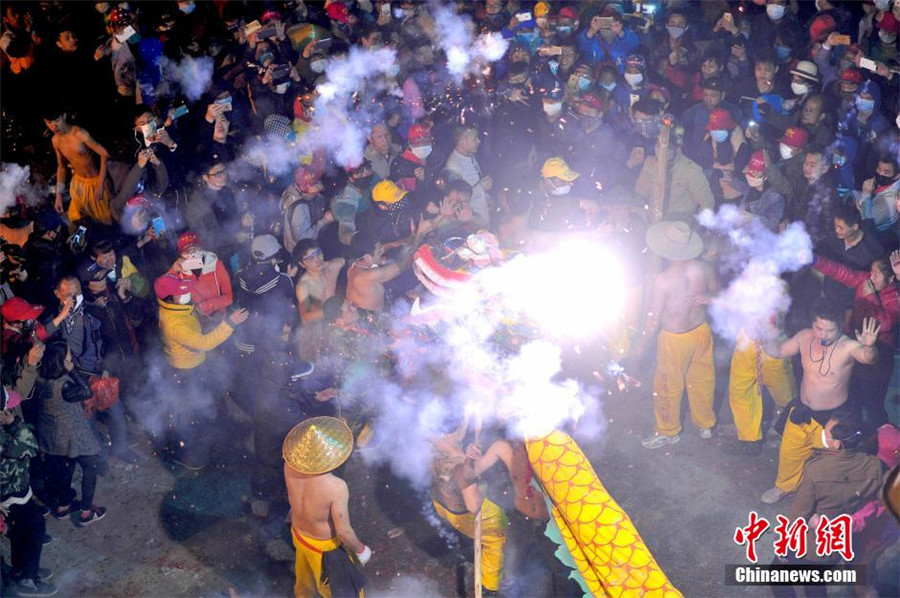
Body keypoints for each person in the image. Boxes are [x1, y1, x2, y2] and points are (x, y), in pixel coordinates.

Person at [760, 300, 881, 504]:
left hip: (831, 420)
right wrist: (768, 333)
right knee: (790, 452)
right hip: (802, 410)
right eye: (819, 328)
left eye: (830, 330)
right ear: (812, 324)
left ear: (840, 327)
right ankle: (785, 487)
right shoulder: (804, 337)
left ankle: (824, 499)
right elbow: (778, 351)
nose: (823, 335)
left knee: (830, 462)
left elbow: (868, 358)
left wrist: (869, 347)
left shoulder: (847, 346)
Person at [630, 221, 719, 449]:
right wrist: (708, 298)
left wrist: (639, 346)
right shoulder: (704, 269)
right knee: (702, 380)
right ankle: (705, 424)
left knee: (668, 386)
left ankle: (667, 431)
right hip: (701, 333)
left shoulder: (663, 281)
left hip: (675, 340)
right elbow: (718, 293)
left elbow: (652, 319)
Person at [283, 417, 370, 598]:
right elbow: (344, 532)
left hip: (299, 536)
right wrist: (361, 550)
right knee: (340, 591)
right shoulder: (335, 486)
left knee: (304, 584)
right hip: (325, 550)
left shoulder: (289, 466)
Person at [812, 255, 898, 426]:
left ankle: (883, 440)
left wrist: (871, 297)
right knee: (852, 396)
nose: (871, 277)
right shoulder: (865, 281)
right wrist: (815, 260)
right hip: (855, 347)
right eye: (871, 271)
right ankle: (852, 434)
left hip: (878, 357)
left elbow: (886, 323)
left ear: (890, 278)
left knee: (873, 403)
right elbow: (842, 272)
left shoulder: (893, 296)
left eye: (877, 274)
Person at [429, 422, 507, 594]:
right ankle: (489, 587)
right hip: (467, 516)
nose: (460, 434)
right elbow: (473, 506)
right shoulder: (458, 466)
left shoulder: (431, 450)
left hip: (442, 507)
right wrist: (470, 463)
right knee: (496, 541)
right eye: (456, 431)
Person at [36, 340, 106, 527]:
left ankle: (63, 506)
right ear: (61, 360)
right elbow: (85, 391)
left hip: (52, 434)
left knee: (65, 468)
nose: (71, 357)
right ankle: (86, 512)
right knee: (90, 465)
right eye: (68, 355)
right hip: (71, 434)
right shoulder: (63, 386)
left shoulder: (41, 376)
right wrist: (72, 370)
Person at [0, 385, 58, 598]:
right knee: (34, 528)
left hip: (14, 490)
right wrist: (14, 424)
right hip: (9, 493)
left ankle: (21, 569)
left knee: (20, 533)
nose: (10, 411)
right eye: (7, 408)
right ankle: (28, 580)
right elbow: (30, 447)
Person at [44, 108, 112, 227]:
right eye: (49, 122)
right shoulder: (55, 140)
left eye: (56, 120)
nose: (53, 126)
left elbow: (104, 153)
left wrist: (101, 184)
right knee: (74, 220)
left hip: (96, 182)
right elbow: (61, 167)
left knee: (104, 220)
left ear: (64, 116)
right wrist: (58, 196)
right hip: (78, 183)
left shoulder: (80, 134)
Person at [294, 239, 344, 362]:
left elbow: (347, 259)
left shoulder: (329, 267)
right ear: (302, 264)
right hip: (313, 334)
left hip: (332, 326)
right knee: (315, 371)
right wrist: (329, 310)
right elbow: (306, 316)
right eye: (310, 258)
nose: (317, 259)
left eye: (318, 253)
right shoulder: (304, 286)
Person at [443, 126, 492, 227]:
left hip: (481, 217)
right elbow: (457, 199)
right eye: (475, 139)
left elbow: (475, 182)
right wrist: (481, 188)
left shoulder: (470, 156)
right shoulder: (453, 165)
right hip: (469, 223)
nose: (479, 141)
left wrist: (487, 198)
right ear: (462, 142)